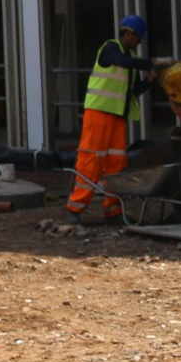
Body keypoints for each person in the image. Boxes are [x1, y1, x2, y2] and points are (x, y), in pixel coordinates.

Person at [67, 14, 169, 223]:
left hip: (116, 119)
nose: (139, 42)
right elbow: (123, 62)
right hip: (98, 115)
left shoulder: (128, 61)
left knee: (116, 165)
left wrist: (152, 76)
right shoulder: (111, 49)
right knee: (91, 161)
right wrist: (153, 62)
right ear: (129, 34)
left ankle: (113, 210)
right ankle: (74, 209)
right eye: (138, 37)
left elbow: (134, 91)